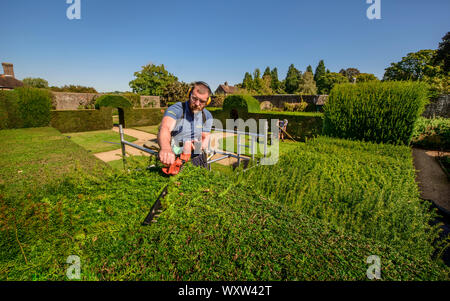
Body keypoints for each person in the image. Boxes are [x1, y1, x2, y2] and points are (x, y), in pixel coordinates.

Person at [158, 81, 213, 166]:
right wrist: (166, 149)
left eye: (202, 101)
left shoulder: (207, 115)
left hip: (197, 157)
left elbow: (205, 136)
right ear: (189, 94)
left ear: (207, 102)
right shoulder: (177, 109)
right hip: (174, 156)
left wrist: (198, 145)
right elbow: (165, 128)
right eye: (194, 98)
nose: (197, 104)